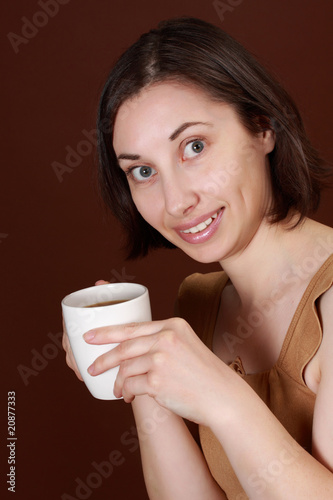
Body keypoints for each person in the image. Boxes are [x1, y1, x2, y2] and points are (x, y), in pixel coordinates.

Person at [62, 17, 333, 499]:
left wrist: (222, 399)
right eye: (143, 171)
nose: (175, 201)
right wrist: (140, 377)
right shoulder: (200, 303)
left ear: (262, 127)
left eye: (194, 146)